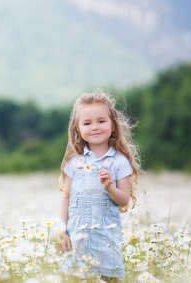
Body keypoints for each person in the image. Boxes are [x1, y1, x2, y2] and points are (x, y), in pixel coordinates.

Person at [58, 92, 140, 282]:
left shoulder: (119, 162)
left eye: (101, 121)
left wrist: (110, 187)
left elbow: (124, 200)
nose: (94, 127)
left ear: (113, 126)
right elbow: (66, 197)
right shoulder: (74, 163)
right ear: (77, 129)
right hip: (76, 238)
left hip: (106, 240)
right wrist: (62, 229)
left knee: (107, 278)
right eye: (87, 123)